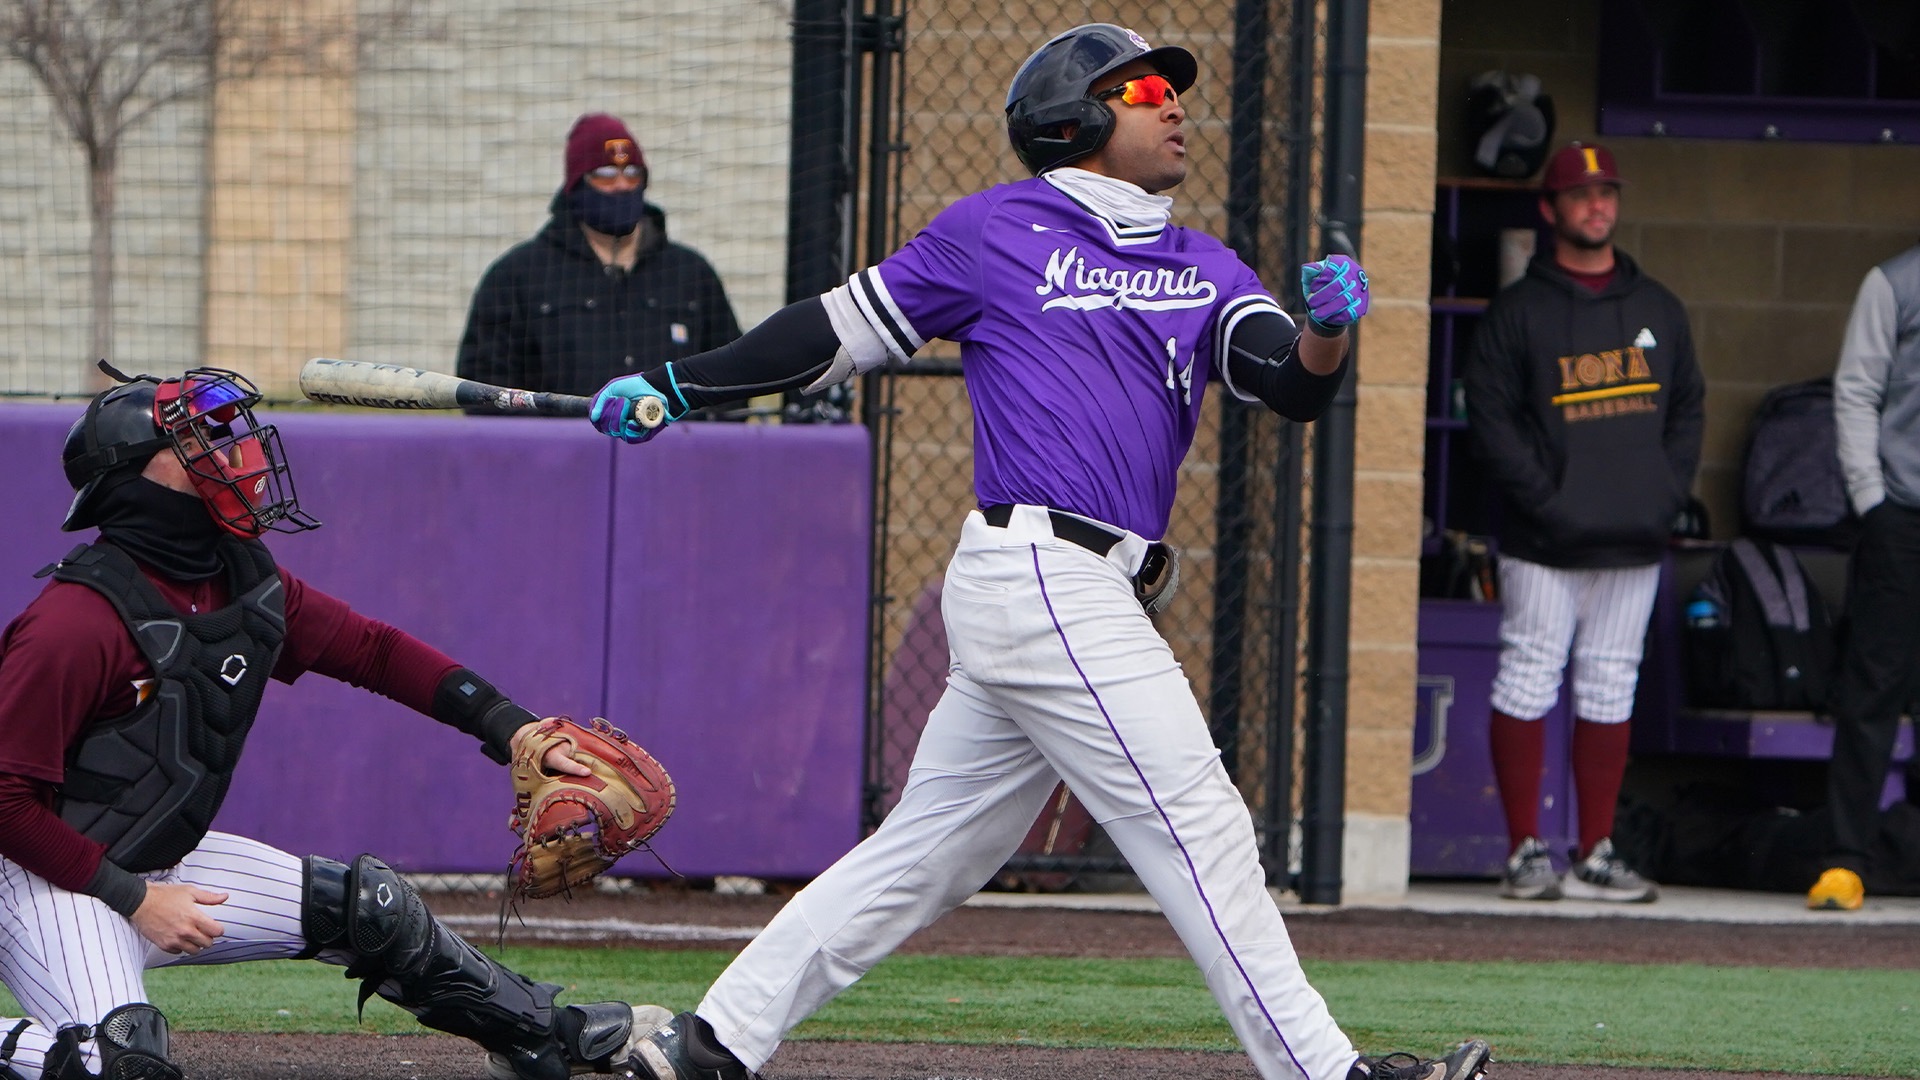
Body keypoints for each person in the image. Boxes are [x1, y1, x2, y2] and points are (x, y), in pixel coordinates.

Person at [585, 23, 1491, 1080]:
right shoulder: (993, 232)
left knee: (929, 852)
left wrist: (1328, 333)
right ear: (1078, 117)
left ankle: (711, 1043)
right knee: (1199, 819)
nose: (1174, 105)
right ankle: (1330, 1073)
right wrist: (679, 386)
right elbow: (830, 332)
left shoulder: (1203, 262)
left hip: (1084, 589)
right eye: (1146, 88)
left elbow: (1287, 383)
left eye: (1171, 90)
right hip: (1041, 569)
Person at [0, 364, 663, 1080]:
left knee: (371, 909)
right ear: (134, 478)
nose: (230, 454)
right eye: (196, 442)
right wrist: (135, 898)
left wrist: (513, 728)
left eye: (220, 435)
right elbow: (4, 803)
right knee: (122, 1068)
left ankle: (540, 1033)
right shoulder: (73, 623)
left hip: (154, 860)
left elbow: (372, 651)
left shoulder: (244, 578)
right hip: (45, 878)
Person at [1463, 140, 1705, 904]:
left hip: (1635, 539)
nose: (1597, 205)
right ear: (1551, 209)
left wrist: (1663, 495)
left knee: (1610, 686)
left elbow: (1689, 410)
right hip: (1544, 542)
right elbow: (1492, 424)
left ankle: (1596, 851)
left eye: (1607, 193)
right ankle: (1524, 854)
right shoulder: (1518, 313)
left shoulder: (1659, 309)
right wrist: (1550, 502)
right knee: (1529, 675)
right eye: (1580, 194)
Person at [455, 112, 740, 407]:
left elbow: (732, 377)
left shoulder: (690, 273)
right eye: (605, 176)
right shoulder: (519, 276)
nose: (621, 186)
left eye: (632, 174)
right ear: (577, 185)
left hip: (674, 449)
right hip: (561, 449)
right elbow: (484, 388)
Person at [1807, 240, 1920, 912]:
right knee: (1873, 687)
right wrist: (1870, 499)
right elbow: (1855, 390)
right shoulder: (1894, 281)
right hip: (1902, 515)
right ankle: (1846, 861)